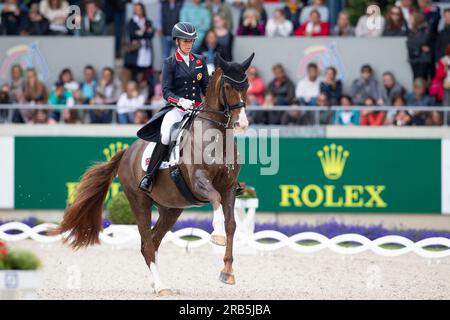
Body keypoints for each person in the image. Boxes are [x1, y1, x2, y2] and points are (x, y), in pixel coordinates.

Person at [137, 22, 209, 191]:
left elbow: (206, 88)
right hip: (177, 109)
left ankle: (226, 176)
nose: (188, 45)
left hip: (198, 109)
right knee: (166, 134)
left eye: (191, 41)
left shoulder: (200, 61)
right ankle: (150, 175)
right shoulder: (170, 62)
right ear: (177, 41)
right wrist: (180, 102)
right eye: (185, 41)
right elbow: (166, 92)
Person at [124, 3, 154, 81]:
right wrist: (145, 32)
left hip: (146, 49)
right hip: (136, 50)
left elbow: (151, 35)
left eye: (139, 9)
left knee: (145, 72)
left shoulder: (147, 21)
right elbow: (132, 34)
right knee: (135, 72)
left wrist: (140, 32)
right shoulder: (132, 21)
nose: (137, 11)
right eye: (136, 9)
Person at [407, 12, 433, 80]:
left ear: (416, 19)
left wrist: (417, 46)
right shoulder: (411, 30)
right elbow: (409, 43)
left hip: (423, 59)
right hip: (413, 58)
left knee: (421, 79)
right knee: (415, 79)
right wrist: (420, 47)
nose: (409, 20)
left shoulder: (426, 28)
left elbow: (423, 40)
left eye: (411, 19)